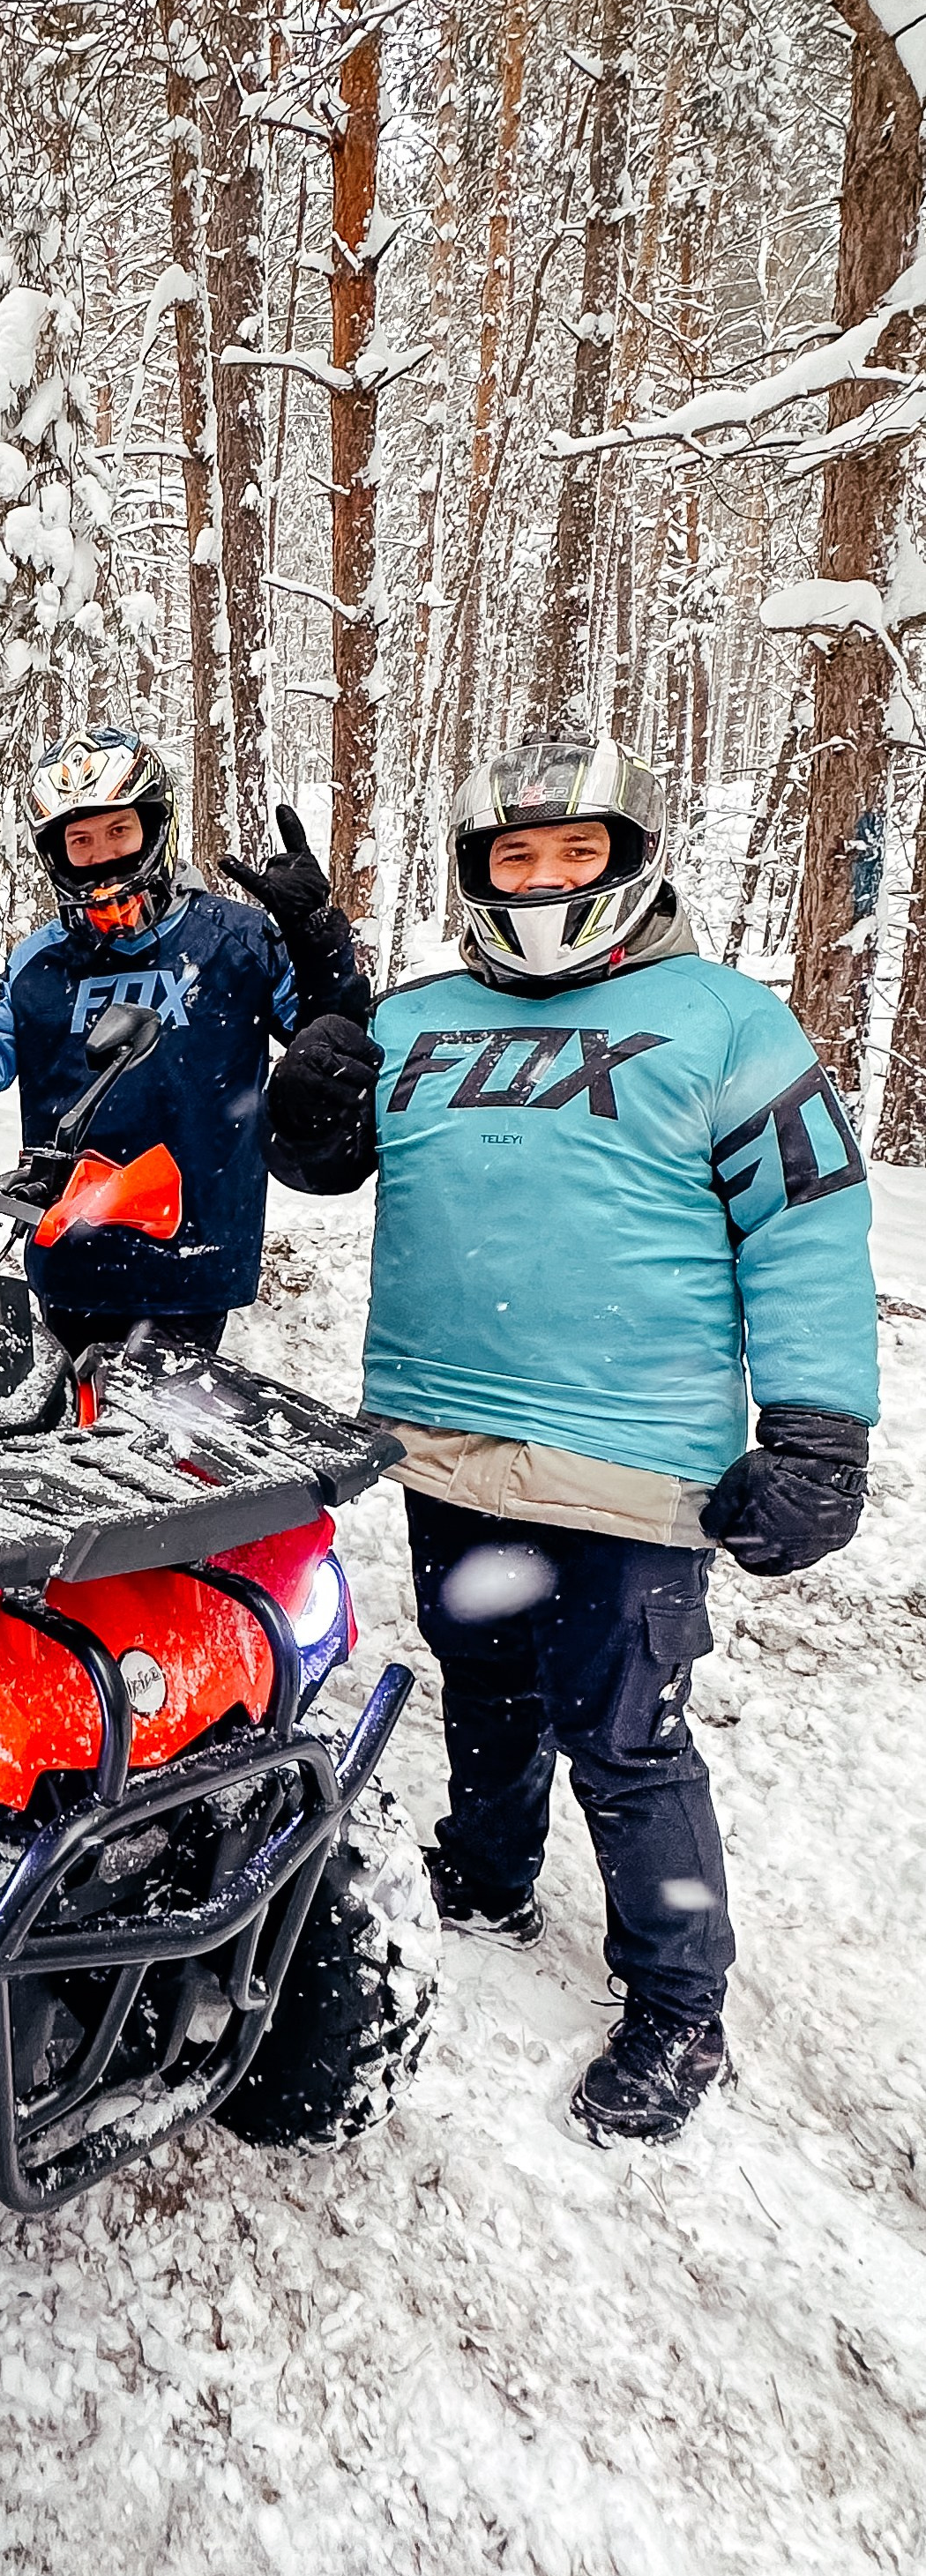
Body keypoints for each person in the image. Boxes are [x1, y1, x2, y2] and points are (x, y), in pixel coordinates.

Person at [265, 733, 877, 2142]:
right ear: (477, 873)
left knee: (626, 1728)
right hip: (446, 1432)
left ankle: (677, 2004)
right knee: (480, 1671)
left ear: (629, 857)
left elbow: (806, 1224)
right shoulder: (420, 1020)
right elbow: (324, 1158)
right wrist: (308, 1089)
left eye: (573, 852)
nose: (542, 879)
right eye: (514, 857)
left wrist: (818, 1425)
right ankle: (487, 1871)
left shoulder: (726, 1021)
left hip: (630, 1448)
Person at [0, 727, 364, 1355]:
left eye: (119, 831)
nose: (101, 854)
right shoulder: (39, 960)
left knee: (166, 1445)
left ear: (154, 825)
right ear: (56, 852)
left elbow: (329, 1039)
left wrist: (316, 937)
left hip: (195, 1256)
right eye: (81, 840)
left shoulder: (237, 938)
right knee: (65, 1445)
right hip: (67, 1259)